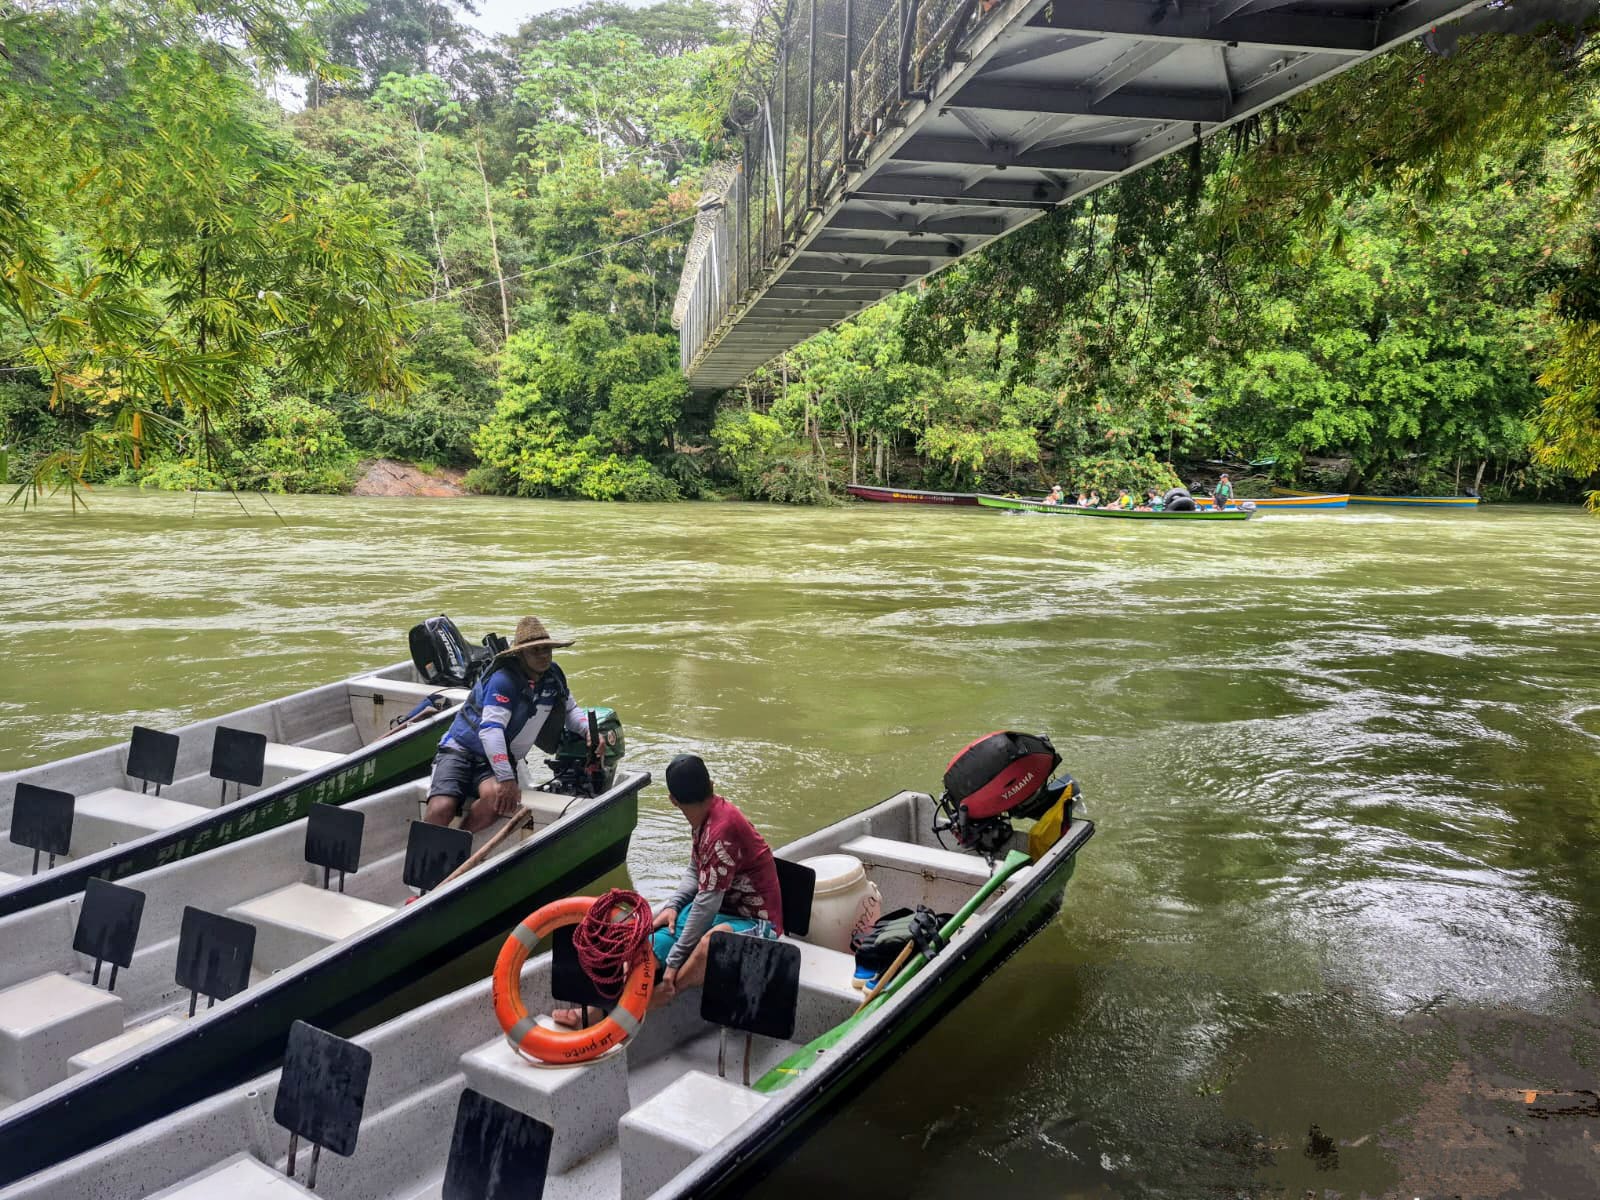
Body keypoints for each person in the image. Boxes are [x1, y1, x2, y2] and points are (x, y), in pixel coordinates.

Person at [552, 754, 784, 1026]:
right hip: (718, 910)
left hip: (757, 922)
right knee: (648, 944)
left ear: (673, 800)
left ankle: (665, 992)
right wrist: (673, 905)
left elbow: (706, 904)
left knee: (713, 942)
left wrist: (673, 963)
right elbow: (694, 871)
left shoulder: (722, 829)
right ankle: (595, 1012)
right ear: (711, 785)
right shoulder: (705, 817)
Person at [422, 616, 591, 833]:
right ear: (520, 654)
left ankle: (461, 842)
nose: (543, 655)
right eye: (535, 650)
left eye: (546, 649)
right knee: (441, 807)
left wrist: (588, 730)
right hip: (460, 750)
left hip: (492, 761)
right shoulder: (504, 680)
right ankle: (432, 849)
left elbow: (570, 710)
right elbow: (491, 731)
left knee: (497, 799)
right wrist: (506, 777)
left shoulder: (554, 676)